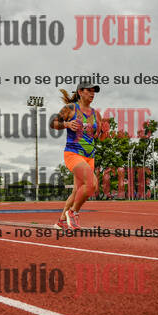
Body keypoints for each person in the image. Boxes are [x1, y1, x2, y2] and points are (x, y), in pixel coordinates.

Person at [51, 81, 109, 230]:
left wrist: (105, 132)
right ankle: (73, 212)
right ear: (80, 92)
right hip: (73, 153)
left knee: (77, 191)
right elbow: (53, 123)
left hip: (90, 156)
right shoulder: (70, 108)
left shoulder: (96, 114)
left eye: (94, 91)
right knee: (92, 184)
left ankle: (61, 221)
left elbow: (99, 138)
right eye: (89, 90)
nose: (92, 94)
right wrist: (66, 124)